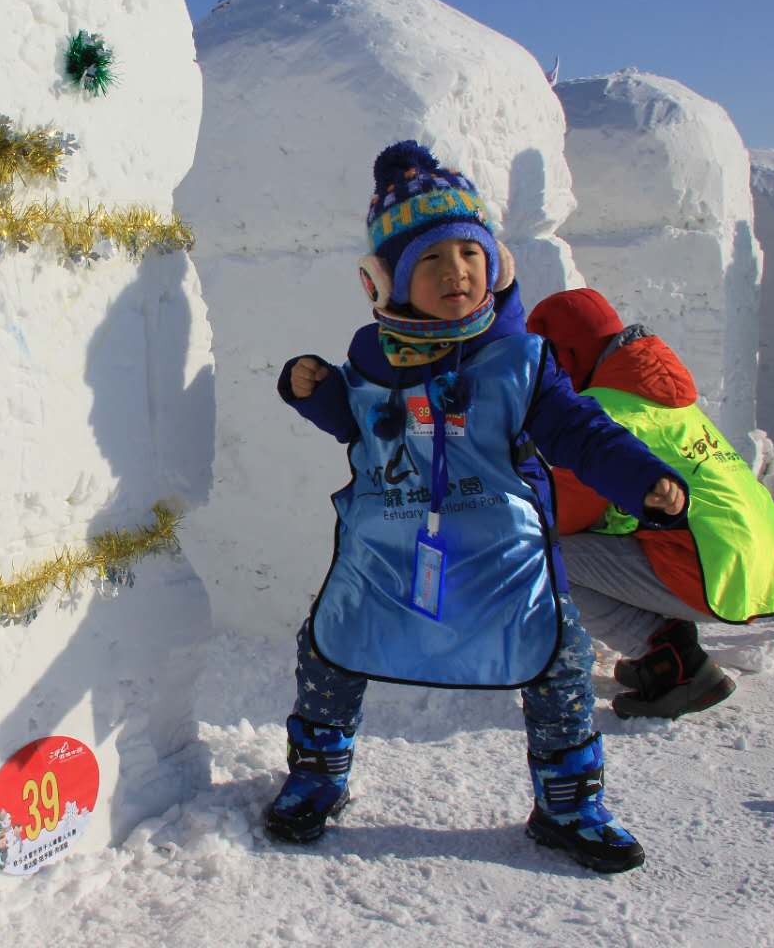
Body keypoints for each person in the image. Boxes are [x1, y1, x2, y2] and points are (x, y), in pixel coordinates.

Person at [269, 141, 687, 875]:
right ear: (390, 281)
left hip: (503, 559)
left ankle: (569, 804)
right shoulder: (372, 355)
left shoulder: (521, 361)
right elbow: (359, 424)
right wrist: (318, 391)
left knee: (557, 665)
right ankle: (317, 775)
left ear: (496, 265)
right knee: (329, 647)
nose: (455, 271)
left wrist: (640, 479)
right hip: (387, 555)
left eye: (470, 252)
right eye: (429, 260)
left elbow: (578, 433)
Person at [526, 288, 774, 720]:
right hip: (752, 563)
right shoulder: (653, 394)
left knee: (543, 553)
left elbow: (562, 514)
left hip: (712, 571)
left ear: (566, 356)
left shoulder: (606, 409)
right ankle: (665, 638)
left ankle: (672, 663)